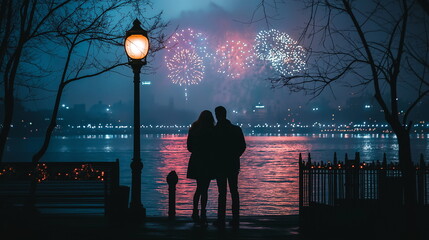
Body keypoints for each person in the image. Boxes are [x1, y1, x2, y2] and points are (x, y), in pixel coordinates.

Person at [213, 106, 246, 227]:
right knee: (234, 192)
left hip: (219, 165)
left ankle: (221, 219)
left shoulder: (215, 131)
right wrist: (235, 156)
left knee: (222, 193)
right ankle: (235, 218)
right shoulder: (236, 129)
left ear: (217, 115)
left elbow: (212, 149)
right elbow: (242, 146)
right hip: (232, 164)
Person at [186, 110, 215, 225]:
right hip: (208, 161)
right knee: (205, 189)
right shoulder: (211, 130)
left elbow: (189, 147)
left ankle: (195, 211)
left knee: (198, 188)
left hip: (197, 160)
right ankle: (203, 212)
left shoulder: (194, 129)